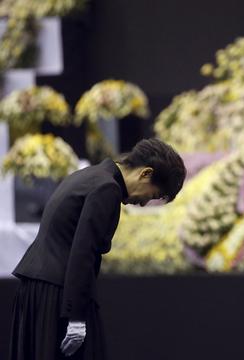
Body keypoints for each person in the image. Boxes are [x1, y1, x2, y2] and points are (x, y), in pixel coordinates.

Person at [8, 138, 186, 360]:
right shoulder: (107, 189)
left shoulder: (89, 176)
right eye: (151, 196)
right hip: (57, 297)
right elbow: (84, 252)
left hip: (36, 290)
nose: (143, 203)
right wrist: (76, 319)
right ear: (145, 173)